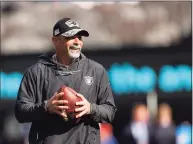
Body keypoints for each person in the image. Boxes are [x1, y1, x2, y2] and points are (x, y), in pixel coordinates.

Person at [14, 17, 117, 144]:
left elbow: (110, 111)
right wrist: (47, 107)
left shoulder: (97, 71)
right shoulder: (36, 73)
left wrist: (90, 108)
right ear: (55, 40)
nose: (77, 42)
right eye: (70, 37)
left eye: (79, 37)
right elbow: (20, 112)